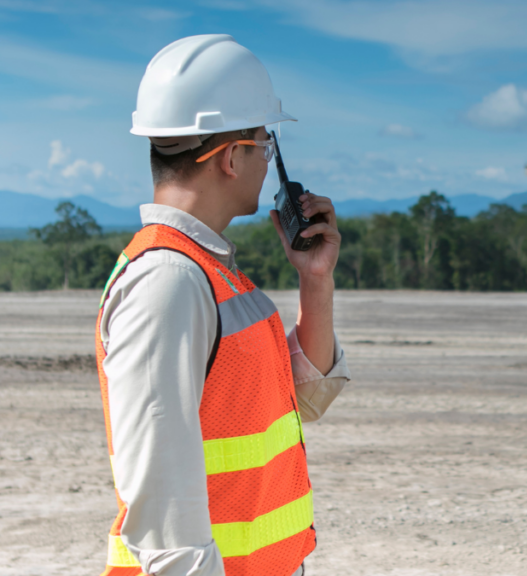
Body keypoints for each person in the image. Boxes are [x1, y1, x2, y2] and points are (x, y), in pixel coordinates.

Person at [94, 35, 350, 576]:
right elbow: (163, 511)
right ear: (232, 157)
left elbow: (298, 401)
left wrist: (315, 283)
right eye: (266, 143)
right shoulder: (167, 282)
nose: (268, 160)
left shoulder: (213, 273)